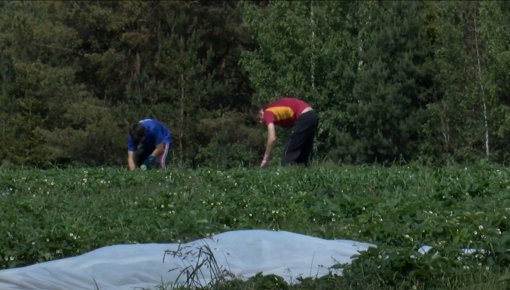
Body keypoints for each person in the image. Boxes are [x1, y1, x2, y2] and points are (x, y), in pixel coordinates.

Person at [249, 96, 318, 168]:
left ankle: (288, 176)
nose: (261, 122)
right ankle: (303, 176)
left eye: (259, 118)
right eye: (258, 121)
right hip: (312, 116)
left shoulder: (267, 112)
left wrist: (265, 159)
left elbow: (272, 138)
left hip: (304, 116)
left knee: (288, 155)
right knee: (302, 156)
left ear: (260, 111)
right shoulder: (274, 108)